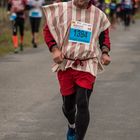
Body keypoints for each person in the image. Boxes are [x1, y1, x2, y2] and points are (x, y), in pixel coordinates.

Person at [42, 0, 111, 140]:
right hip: (66, 63)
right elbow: (48, 29)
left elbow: (104, 35)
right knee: (68, 106)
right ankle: (71, 125)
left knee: (82, 101)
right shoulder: (61, 9)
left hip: (87, 63)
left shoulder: (98, 15)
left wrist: (105, 52)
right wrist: (54, 49)